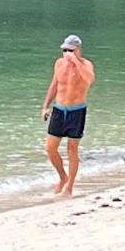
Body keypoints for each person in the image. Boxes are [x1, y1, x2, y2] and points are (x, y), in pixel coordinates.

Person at [40, 34, 96, 197]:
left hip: (77, 111)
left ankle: (70, 186)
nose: (66, 53)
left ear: (78, 50)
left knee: (72, 149)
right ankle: (62, 177)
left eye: (70, 50)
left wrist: (76, 62)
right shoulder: (59, 64)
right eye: (64, 50)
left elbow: (90, 80)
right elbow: (54, 85)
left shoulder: (85, 65)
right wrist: (45, 106)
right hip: (59, 109)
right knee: (50, 148)